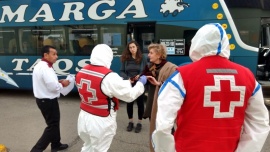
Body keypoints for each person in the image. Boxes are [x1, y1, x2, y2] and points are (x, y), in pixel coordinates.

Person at [152, 23, 270, 152]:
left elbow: (163, 125)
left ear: (196, 43)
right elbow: (259, 123)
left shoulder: (182, 76)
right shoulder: (248, 76)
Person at [75, 44, 147, 152]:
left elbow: (107, 86)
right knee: (100, 149)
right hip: (100, 120)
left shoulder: (82, 71)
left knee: (88, 146)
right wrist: (141, 84)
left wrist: (127, 81)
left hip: (84, 117)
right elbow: (129, 95)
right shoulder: (109, 76)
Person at [31, 45, 70, 152]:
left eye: (56, 54)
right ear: (46, 55)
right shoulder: (45, 68)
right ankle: (36, 150)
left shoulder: (42, 65)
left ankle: (56, 144)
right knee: (52, 126)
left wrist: (58, 82)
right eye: (54, 54)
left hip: (44, 100)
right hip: (48, 101)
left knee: (54, 124)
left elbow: (48, 83)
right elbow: (53, 88)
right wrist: (64, 84)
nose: (56, 56)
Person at [140, 43, 177, 152]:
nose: (149, 55)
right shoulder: (149, 66)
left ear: (159, 54)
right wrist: (140, 78)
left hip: (165, 105)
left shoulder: (171, 68)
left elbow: (175, 86)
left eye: (151, 53)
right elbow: (143, 75)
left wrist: (159, 83)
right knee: (154, 128)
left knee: (166, 131)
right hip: (153, 101)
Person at [120, 41, 148, 133]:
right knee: (129, 102)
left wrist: (140, 75)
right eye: (130, 48)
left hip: (139, 83)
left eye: (133, 47)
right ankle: (130, 122)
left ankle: (139, 123)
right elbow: (122, 71)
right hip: (129, 83)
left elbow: (146, 70)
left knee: (140, 103)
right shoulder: (126, 58)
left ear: (137, 47)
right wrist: (127, 78)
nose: (132, 49)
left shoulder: (142, 58)